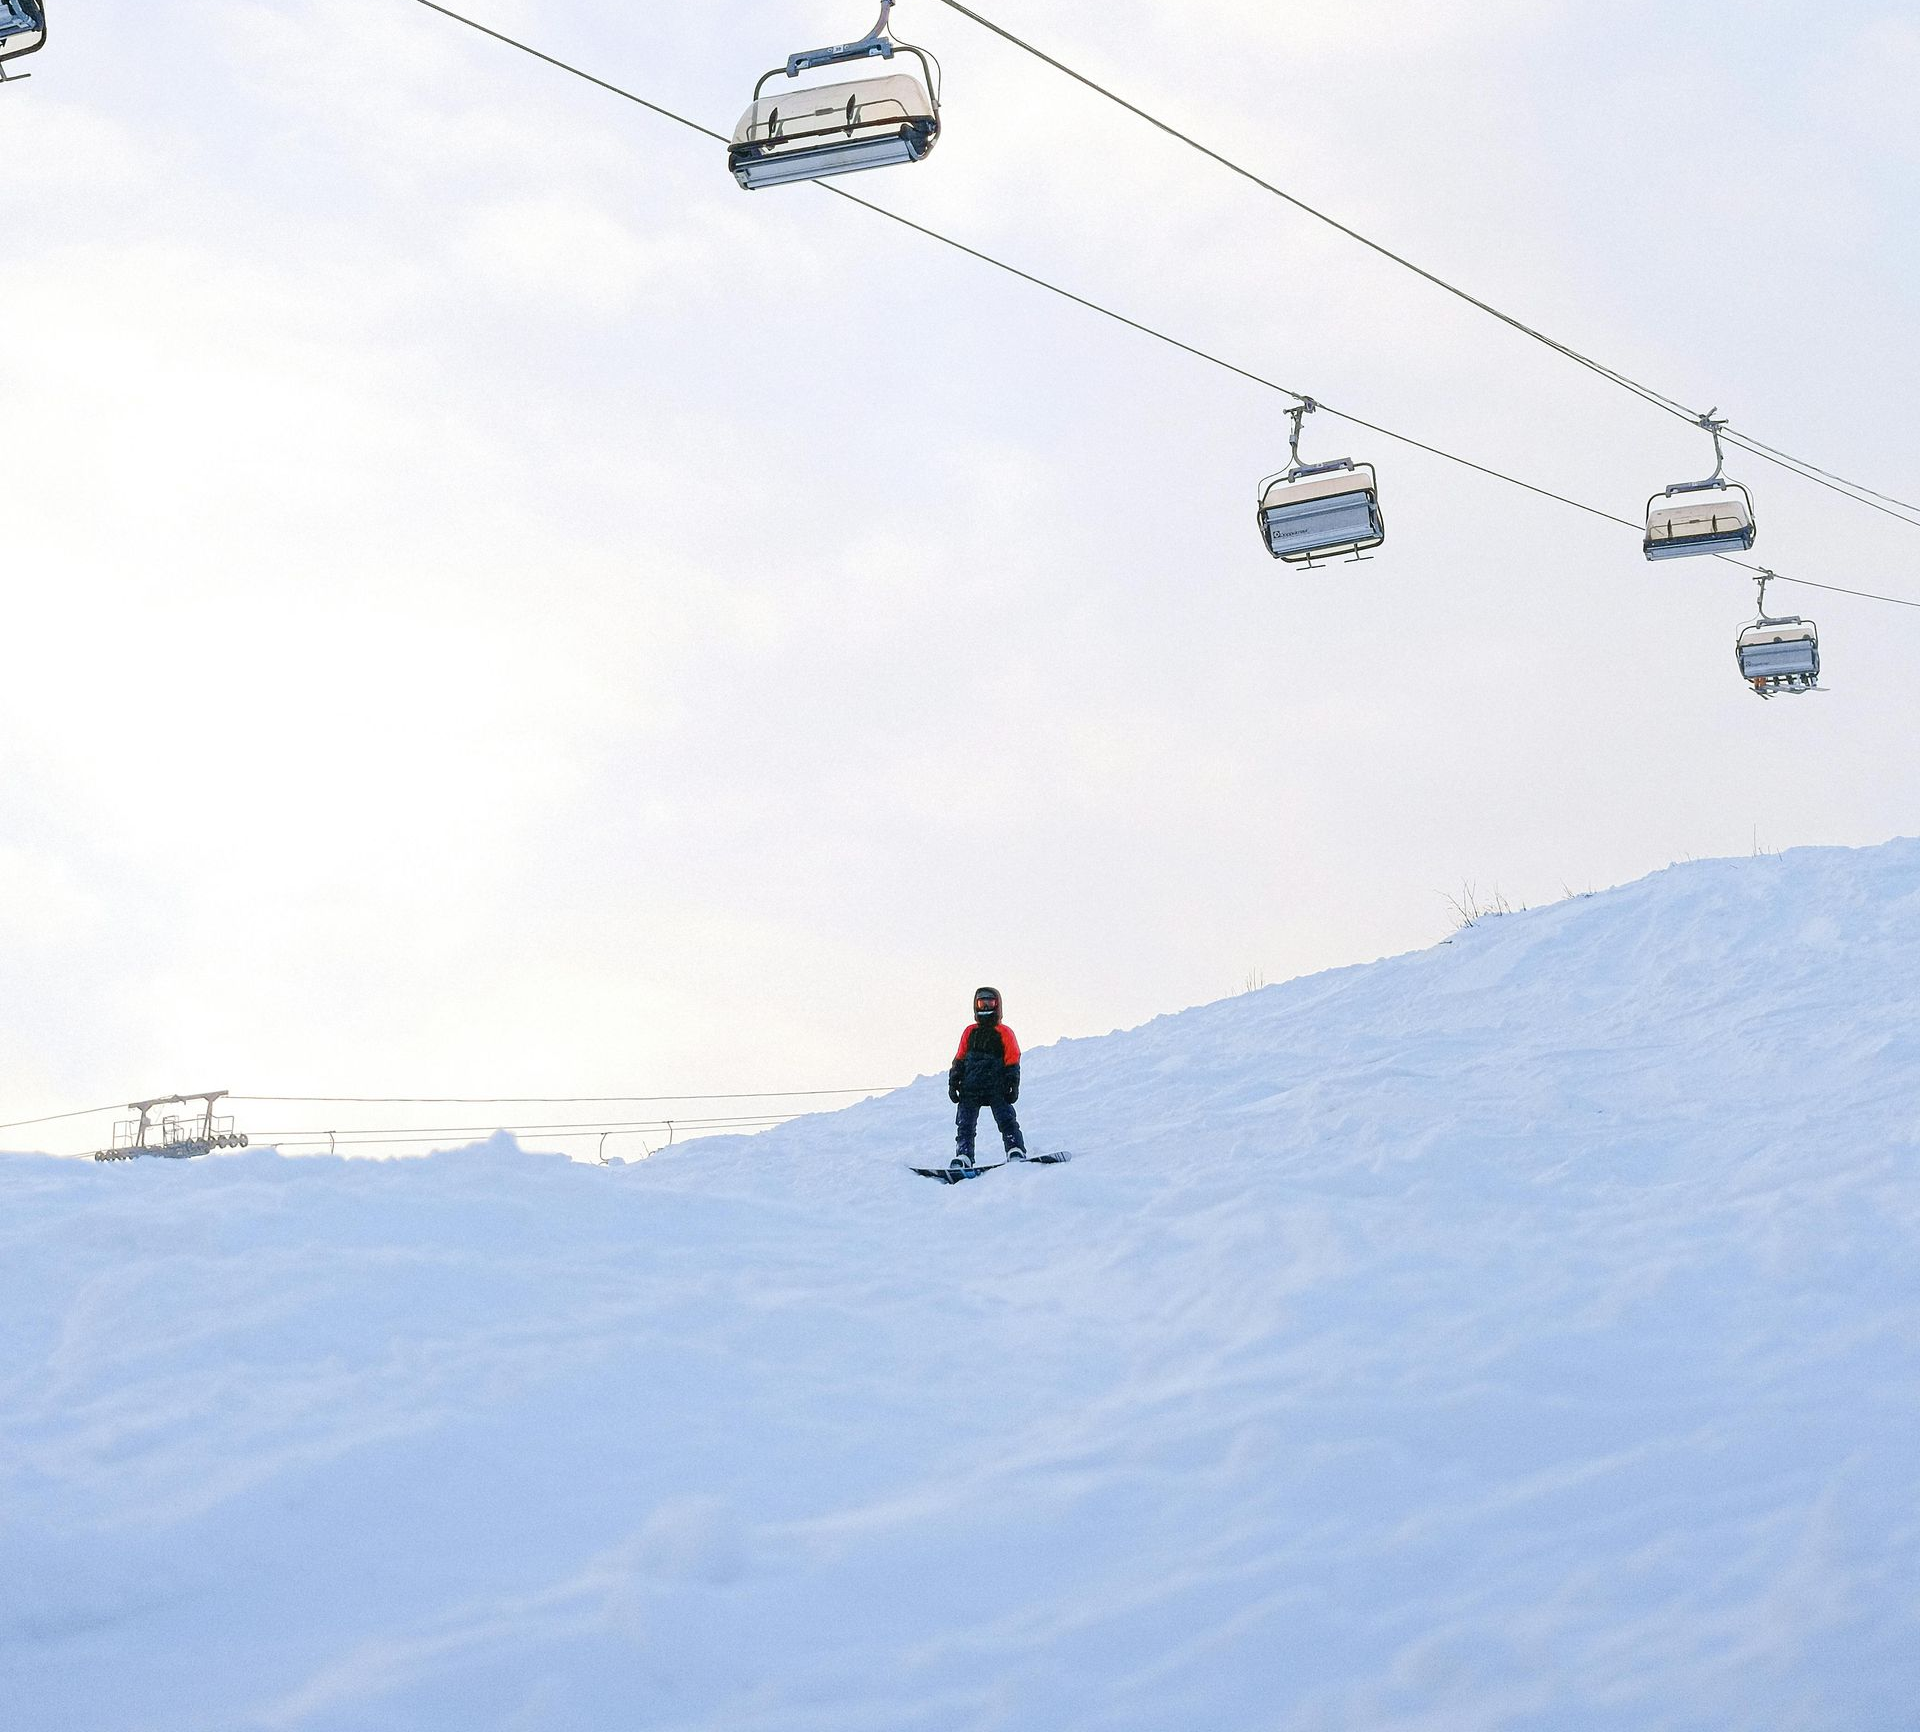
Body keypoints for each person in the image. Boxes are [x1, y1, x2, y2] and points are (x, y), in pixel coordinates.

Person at [947, 986, 1025, 1171]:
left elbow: (1012, 1057)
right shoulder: (969, 1031)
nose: (985, 1007)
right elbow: (960, 1057)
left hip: (996, 1086)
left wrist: (1012, 1082)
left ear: (997, 1005)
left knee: (1006, 1120)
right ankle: (964, 1155)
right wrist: (954, 1081)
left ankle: (1015, 1149)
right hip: (970, 1087)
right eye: (981, 1003)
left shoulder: (1004, 1032)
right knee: (965, 1124)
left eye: (989, 1002)